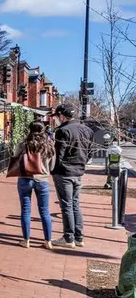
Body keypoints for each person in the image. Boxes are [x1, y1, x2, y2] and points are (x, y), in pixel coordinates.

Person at [51, 103, 93, 248]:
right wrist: (82, 163)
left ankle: (68, 238)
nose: (57, 119)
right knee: (75, 204)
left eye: (58, 117)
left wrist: (53, 169)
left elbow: (59, 154)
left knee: (67, 205)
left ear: (62, 116)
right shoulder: (87, 130)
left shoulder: (63, 131)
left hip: (64, 172)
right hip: (78, 171)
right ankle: (78, 237)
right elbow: (90, 152)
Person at [12, 121, 56, 249]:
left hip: (25, 179)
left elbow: (15, 157)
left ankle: (26, 240)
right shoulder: (49, 145)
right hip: (42, 180)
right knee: (45, 211)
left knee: (25, 210)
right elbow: (52, 166)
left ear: (30, 129)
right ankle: (48, 241)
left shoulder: (23, 144)